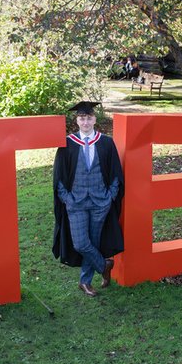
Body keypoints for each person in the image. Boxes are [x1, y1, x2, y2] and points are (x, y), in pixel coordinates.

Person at [51, 102, 124, 296]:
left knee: (93, 240)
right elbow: (59, 176)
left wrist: (111, 196)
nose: (85, 121)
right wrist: (67, 198)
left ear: (94, 119)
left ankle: (85, 281)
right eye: (82, 118)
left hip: (100, 202)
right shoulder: (67, 144)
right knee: (81, 243)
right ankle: (104, 265)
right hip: (76, 203)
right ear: (77, 120)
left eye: (89, 117)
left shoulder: (106, 143)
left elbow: (116, 173)